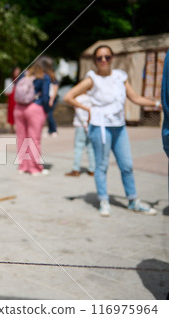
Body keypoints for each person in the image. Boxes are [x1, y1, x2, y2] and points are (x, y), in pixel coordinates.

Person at [64, 45, 162, 217]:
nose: (103, 61)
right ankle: (103, 200)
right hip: (99, 127)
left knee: (127, 165)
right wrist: (88, 110)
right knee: (101, 166)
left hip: (119, 127)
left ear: (112, 58)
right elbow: (68, 97)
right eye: (99, 58)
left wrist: (156, 104)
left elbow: (135, 98)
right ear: (95, 61)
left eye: (107, 57)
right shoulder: (92, 79)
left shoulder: (120, 77)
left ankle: (133, 201)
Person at [14, 58, 50, 176]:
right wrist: (46, 111)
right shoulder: (44, 77)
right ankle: (35, 168)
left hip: (19, 108)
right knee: (34, 139)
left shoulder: (24, 75)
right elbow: (45, 96)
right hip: (35, 108)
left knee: (22, 139)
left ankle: (23, 166)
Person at [65, 94, 95, 177]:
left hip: (81, 125)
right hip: (91, 125)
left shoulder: (78, 98)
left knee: (78, 147)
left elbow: (79, 112)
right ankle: (92, 169)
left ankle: (76, 169)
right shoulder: (92, 97)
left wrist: (85, 125)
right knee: (91, 148)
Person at [42, 57, 59, 137]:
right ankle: (50, 130)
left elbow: (55, 88)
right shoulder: (46, 75)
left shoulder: (51, 75)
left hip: (52, 97)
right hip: (48, 97)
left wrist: (51, 99)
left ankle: (53, 129)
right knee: (47, 114)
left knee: (49, 114)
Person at [4, 66, 21, 133]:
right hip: (11, 99)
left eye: (18, 71)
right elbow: (6, 92)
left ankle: (19, 128)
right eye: (16, 71)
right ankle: (12, 128)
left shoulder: (21, 80)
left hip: (18, 99)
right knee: (11, 113)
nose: (17, 72)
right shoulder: (8, 80)